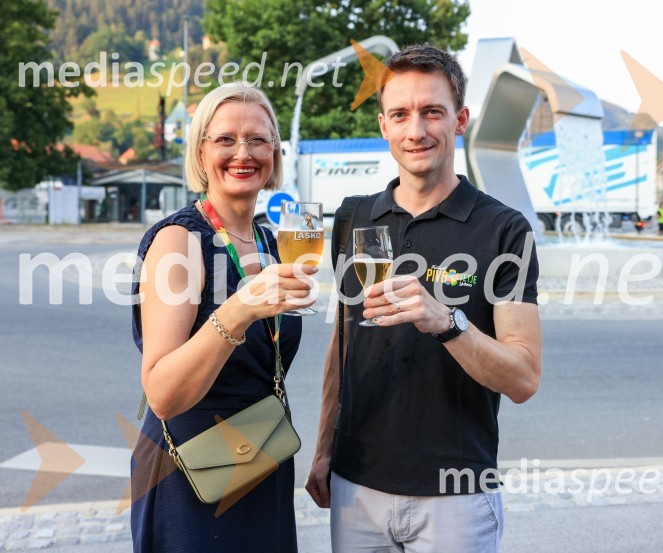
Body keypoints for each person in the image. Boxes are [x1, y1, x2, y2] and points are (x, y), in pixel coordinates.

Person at [305, 45, 542, 552]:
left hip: (455, 496)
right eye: (401, 114)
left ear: (460, 119)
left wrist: (447, 320)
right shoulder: (352, 219)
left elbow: (523, 378)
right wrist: (324, 448)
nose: (416, 130)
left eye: (432, 112)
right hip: (356, 486)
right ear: (383, 125)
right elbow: (343, 342)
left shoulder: (504, 229)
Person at [130, 82, 315, 552]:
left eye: (258, 139)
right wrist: (239, 309)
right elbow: (164, 395)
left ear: (275, 150)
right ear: (200, 150)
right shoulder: (179, 241)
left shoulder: (272, 240)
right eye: (226, 139)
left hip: (261, 454)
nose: (244, 152)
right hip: (191, 474)